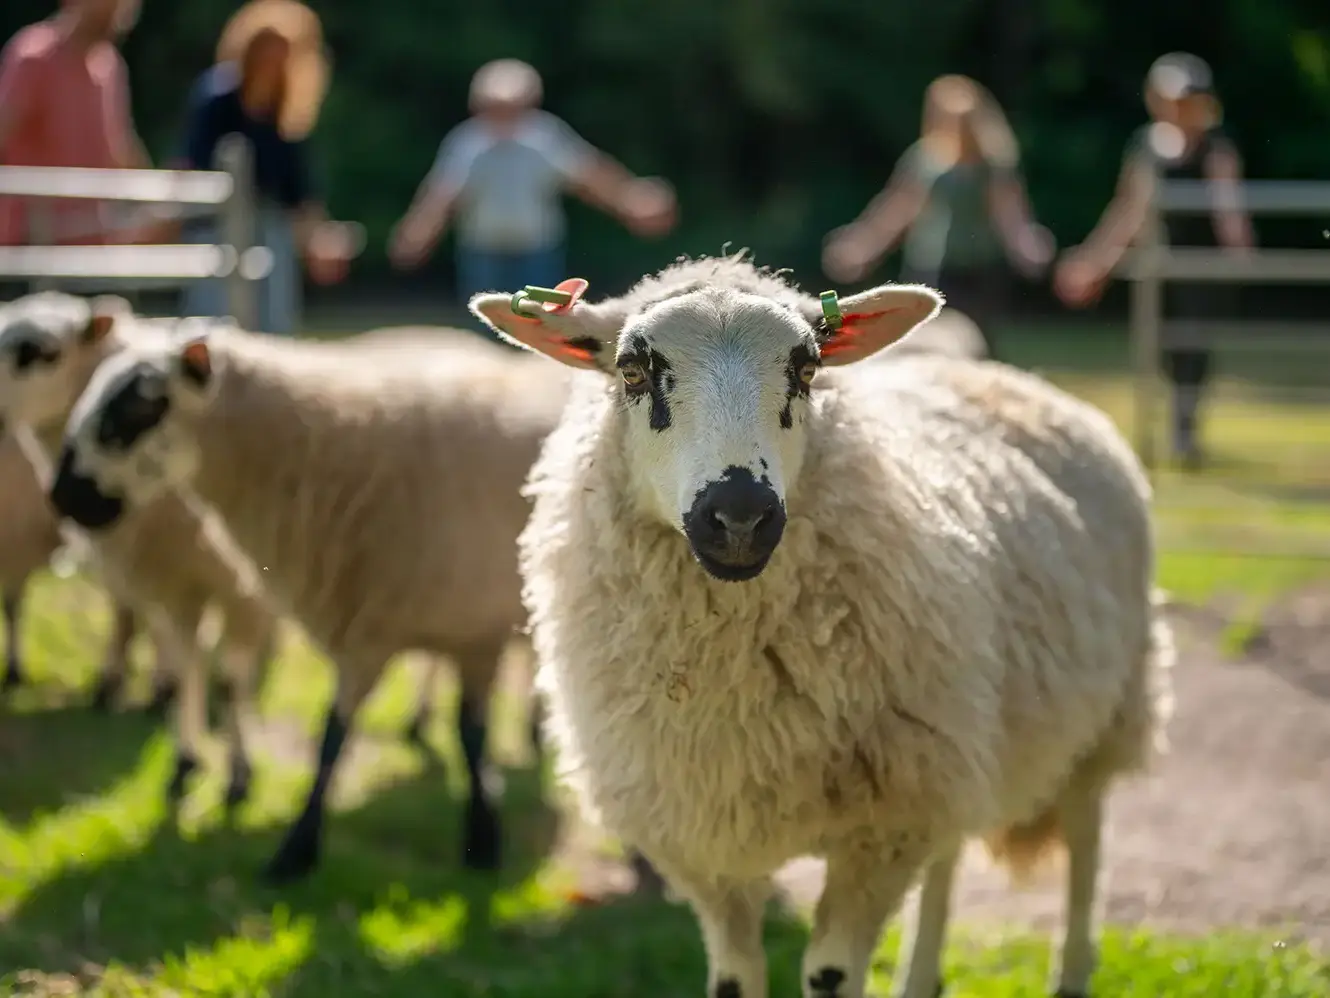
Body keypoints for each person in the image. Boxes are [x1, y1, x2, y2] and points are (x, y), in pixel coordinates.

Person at [1054, 52, 1253, 470]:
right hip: (1158, 266)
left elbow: (1228, 207)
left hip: (1200, 267)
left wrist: (1242, 254)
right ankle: (1166, 430)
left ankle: (1184, 431)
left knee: (1192, 348)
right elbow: (1129, 210)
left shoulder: (1216, 147)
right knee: (1162, 347)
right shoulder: (1147, 146)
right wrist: (1094, 262)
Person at [389, 58, 677, 308]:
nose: (504, 116)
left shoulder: (544, 139)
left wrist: (630, 201)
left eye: (513, 107)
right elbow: (442, 196)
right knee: (488, 325)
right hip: (483, 253)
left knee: (541, 324)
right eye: (495, 107)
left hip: (537, 253)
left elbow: (589, 176)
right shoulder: (468, 144)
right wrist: (416, 234)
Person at [821, 74, 1053, 358]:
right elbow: (898, 209)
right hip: (935, 267)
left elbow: (1009, 214)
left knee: (977, 344)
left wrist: (1026, 247)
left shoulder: (993, 164)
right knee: (931, 342)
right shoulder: (925, 159)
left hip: (981, 269)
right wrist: (861, 247)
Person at [176, 0, 357, 335]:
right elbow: (189, 167)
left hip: (271, 233)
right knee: (212, 321)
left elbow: (300, 194)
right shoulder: (216, 99)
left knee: (274, 325)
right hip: (216, 227)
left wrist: (319, 240)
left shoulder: (287, 115)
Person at [0, 0, 151, 248]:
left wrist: (157, 202)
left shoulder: (109, 67)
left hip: (91, 247)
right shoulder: (34, 58)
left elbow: (120, 150)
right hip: (32, 247)